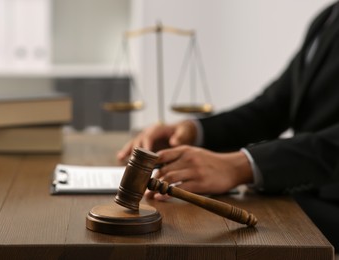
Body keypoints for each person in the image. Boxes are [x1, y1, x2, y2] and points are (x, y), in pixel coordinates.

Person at [117, 1, 339, 250]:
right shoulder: (328, 17)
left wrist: (240, 165)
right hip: (303, 193)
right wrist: (195, 130)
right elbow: (272, 108)